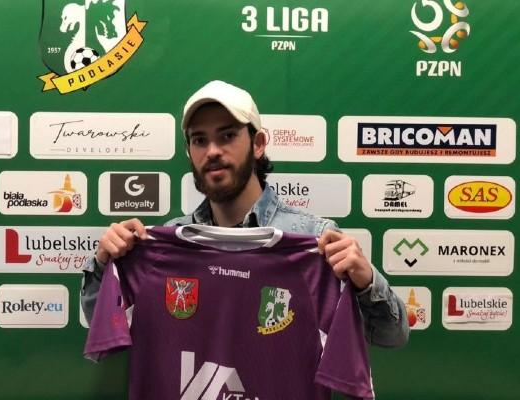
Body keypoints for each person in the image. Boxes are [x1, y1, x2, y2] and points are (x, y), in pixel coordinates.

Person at [81, 80, 409, 348]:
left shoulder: (315, 240)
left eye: (227, 135)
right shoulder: (164, 245)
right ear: (189, 152)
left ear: (258, 143)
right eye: (199, 140)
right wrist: (104, 265)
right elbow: (105, 327)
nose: (212, 151)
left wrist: (365, 281)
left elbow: (391, 336)